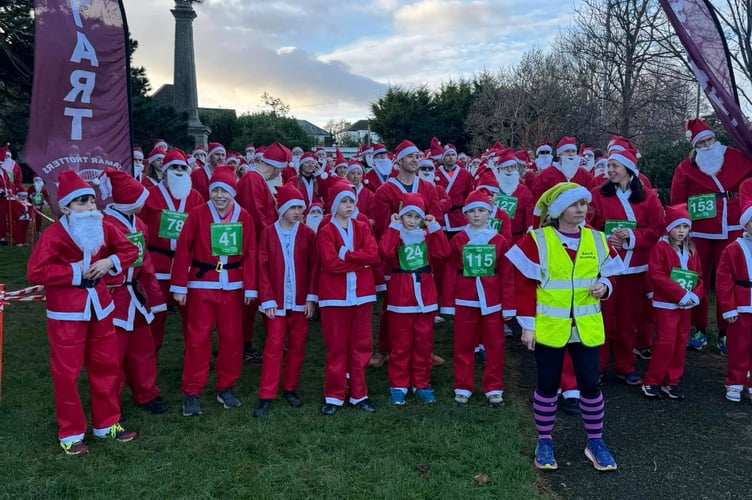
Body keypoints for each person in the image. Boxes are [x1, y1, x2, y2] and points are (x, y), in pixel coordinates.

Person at [506, 182, 623, 471]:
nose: (581, 209)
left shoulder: (597, 239)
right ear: (558, 211)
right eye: (574, 205)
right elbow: (523, 286)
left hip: (585, 326)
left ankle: (595, 441)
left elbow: (611, 276)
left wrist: (605, 286)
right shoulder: (537, 240)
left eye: (584, 204)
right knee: (547, 385)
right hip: (549, 327)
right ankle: (544, 440)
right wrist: (527, 326)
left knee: (590, 384)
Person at [27, 170, 139, 455]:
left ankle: (107, 423)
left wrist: (109, 262)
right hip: (66, 314)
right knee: (67, 373)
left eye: (91, 200)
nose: (90, 207)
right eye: (81, 202)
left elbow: (129, 250)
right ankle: (71, 432)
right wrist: (74, 272)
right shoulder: (53, 235)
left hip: (101, 307)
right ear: (65, 207)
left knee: (106, 365)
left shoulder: (103, 226)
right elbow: (35, 272)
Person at [170, 166, 258, 416]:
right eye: (216, 190)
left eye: (225, 191)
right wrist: (179, 286)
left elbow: (251, 253)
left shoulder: (245, 217)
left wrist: (251, 287)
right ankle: (192, 390)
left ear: (233, 193)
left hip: (232, 286)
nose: (220, 195)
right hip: (202, 285)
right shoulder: (197, 214)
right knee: (198, 340)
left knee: (232, 340)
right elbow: (184, 249)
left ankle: (226, 386)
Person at [671, 119, 752, 353]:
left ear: (715, 139)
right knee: (697, 277)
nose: (707, 145)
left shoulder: (737, 157)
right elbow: (677, 201)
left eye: (710, 140)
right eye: (702, 142)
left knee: (731, 279)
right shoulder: (685, 168)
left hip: (732, 225)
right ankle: (698, 327)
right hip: (699, 230)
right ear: (695, 146)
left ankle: (728, 330)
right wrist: (680, 229)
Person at [589, 149, 664, 384]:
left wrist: (632, 236)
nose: (609, 170)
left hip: (635, 268)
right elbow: (586, 225)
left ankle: (624, 364)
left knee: (628, 320)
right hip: (606, 267)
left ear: (628, 169)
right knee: (602, 317)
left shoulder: (649, 197)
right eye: (608, 165)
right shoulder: (597, 194)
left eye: (615, 166)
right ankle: (598, 365)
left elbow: (657, 228)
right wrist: (603, 237)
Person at [99, 168, 167, 413]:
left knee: (143, 348)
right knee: (112, 355)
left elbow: (145, 262)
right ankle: (109, 404)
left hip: (136, 296)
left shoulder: (139, 223)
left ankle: (146, 393)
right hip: (113, 297)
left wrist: (155, 297)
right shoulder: (104, 224)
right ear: (129, 202)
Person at [440, 190, 514, 407]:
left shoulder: (499, 240)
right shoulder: (458, 240)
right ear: (465, 214)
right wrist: (448, 304)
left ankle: (493, 387)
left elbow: (507, 275)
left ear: (489, 213)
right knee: (463, 345)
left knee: (495, 345)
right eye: (471, 211)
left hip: (492, 301)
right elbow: (450, 272)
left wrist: (508, 305)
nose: (476, 215)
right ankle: (462, 386)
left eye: (481, 210)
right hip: (465, 300)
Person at [253, 184, 319, 418]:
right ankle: (266, 394)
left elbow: (314, 268)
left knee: (298, 346)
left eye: (300, 207)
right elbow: (262, 268)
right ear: (282, 209)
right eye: (292, 207)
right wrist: (268, 299)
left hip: (300, 301)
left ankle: (290, 387)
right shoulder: (269, 233)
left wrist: (311, 297)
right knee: (273, 346)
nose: (297, 211)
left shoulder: (308, 234)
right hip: (277, 303)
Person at [379, 193, 450, 405]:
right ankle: (399, 383)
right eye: (407, 216)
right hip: (401, 298)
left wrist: (435, 227)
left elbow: (444, 252)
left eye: (415, 216)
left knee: (423, 344)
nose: (411, 220)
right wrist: (393, 227)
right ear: (400, 217)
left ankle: (421, 383)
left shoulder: (427, 236)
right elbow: (384, 251)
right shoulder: (396, 236)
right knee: (401, 345)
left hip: (424, 298)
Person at [318, 181, 380, 415]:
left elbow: (373, 255)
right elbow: (331, 264)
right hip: (334, 297)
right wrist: (360, 262)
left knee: (361, 346)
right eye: (343, 201)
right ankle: (334, 395)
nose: (348, 205)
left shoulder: (362, 226)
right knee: (336, 347)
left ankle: (359, 393)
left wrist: (348, 255)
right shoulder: (326, 231)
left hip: (362, 296)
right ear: (334, 204)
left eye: (351, 201)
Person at [139, 149, 204, 354]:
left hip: (186, 267)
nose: (178, 171)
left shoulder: (195, 198)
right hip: (157, 265)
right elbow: (140, 230)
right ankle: (149, 356)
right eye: (173, 167)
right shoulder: (149, 195)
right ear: (164, 171)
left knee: (192, 316)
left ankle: (195, 356)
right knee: (155, 315)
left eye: (182, 167)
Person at [237, 142, 291, 363]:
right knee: (251, 298)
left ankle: (249, 343)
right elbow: (257, 217)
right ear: (277, 168)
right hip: (255, 247)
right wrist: (275, 235)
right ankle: (243, 344)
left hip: (257, 245)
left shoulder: (255, 179)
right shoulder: (252, 179)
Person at [641, 204, 703, 399]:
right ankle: (652, 381)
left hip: (686, 306)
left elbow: (699, 275)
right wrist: (680, 295)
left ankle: (672, 381)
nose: (681, 231)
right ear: (669, 227)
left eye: (685, 227)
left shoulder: (692, 249)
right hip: (666, 305)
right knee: (666, 343)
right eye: (677, 227)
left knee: (681, 342)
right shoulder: (660, 248)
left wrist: (695, 295)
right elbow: (657, 275)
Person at [716, 202, 752, 402]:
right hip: (741, 305)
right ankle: (735, 382)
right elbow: (723, 280)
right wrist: (728, 308)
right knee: (739, 346)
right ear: (745, 225)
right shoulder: (734, 248)